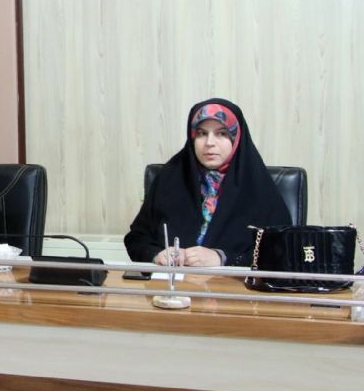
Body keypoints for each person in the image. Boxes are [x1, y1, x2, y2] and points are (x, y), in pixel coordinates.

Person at [124, 98, 292, 267]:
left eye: (222, 133)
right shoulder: (169, 178)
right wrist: (156, 255)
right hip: (173, 282)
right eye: (201, 133)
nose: (209, 143)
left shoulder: (258, 186)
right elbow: (136, 238)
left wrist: (222, 258)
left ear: (236, 139)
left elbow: (281, 251)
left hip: (232, 283)